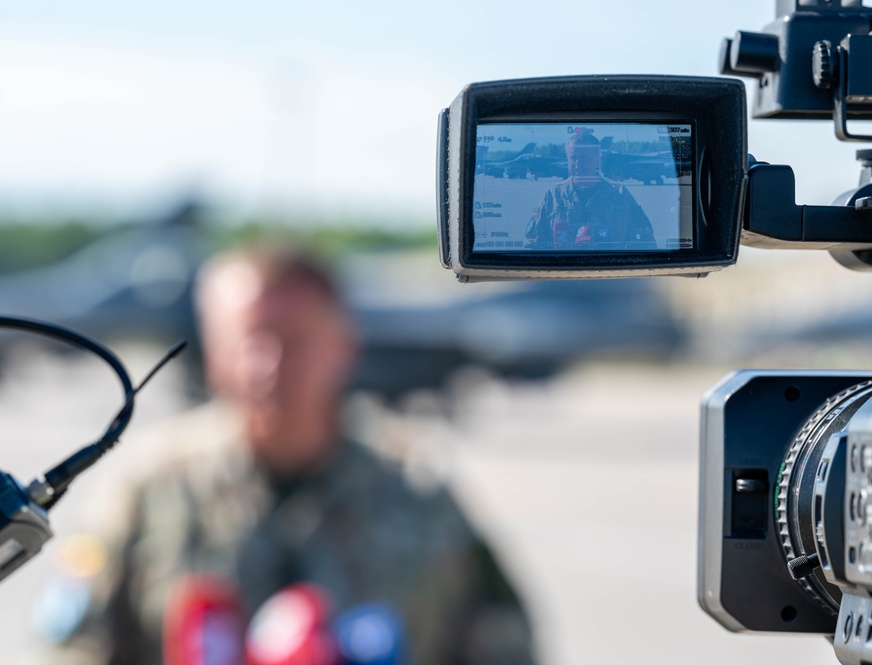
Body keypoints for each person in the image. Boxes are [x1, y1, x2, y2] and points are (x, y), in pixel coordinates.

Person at [31, 246, 535, 665]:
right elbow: (71, 644)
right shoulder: (150, 483)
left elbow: (504, 642)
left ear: (343, 345)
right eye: (248, 339)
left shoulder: (417, 487)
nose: (267, 366)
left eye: (293, 341)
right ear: (214, 346)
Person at [524, 132, 656, 250]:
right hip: (564, 272)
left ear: (597, 159)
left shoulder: (620, 194)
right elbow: (533, 243)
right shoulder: (553, 196)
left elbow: (645, 242)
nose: (577, 163)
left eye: (584, 158)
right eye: (573, 157)